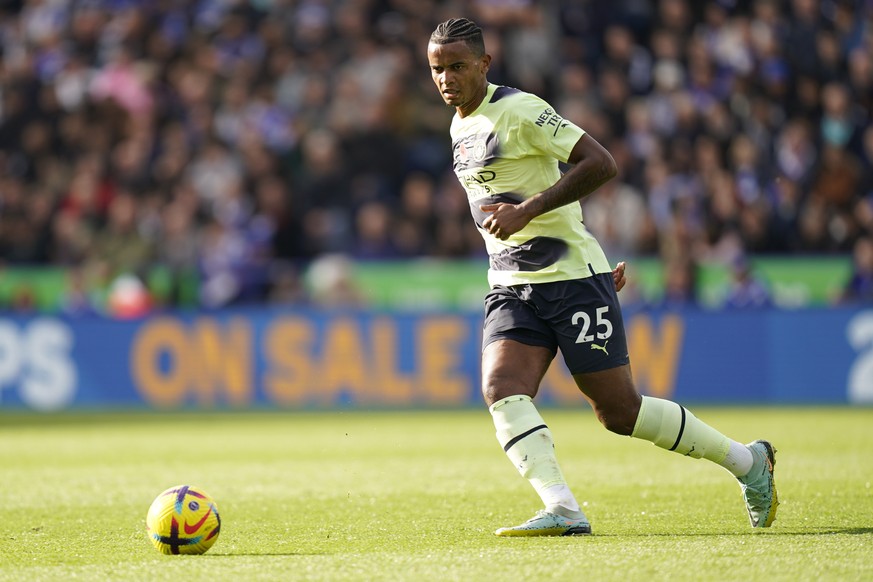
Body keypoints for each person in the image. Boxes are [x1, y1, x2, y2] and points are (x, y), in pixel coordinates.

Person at [426, 18, 778, 536]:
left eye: (457, 66)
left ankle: (748, 462)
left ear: (485, 63)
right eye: (437, 68)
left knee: (619, 412)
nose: (447, 78)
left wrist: (531, 213)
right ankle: (563, 509)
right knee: (501, 387)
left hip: (571, 280)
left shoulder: (522, 111)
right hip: (511, 284)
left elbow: (602, 163)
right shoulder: (459, 124)